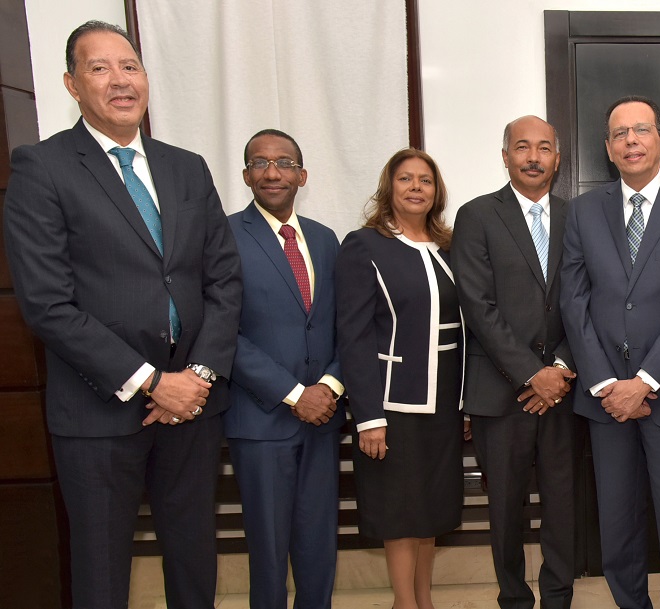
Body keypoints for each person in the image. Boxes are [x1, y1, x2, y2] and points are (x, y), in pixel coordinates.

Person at [2, 20, 242, 609]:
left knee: (193, 560)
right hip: (98, 411)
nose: (120, 80)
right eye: (99, 68)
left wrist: (196, 378)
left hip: (193, 408)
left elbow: (224, 282)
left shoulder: (187, 167)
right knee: (102, 572)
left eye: (129, 66)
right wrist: (153, 382)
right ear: (71, 84)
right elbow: (47, 303)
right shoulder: (42, 167)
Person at [561, 95, 660, 609]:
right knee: (617, 522)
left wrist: (646, 380)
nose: (631, 140)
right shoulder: (583, 211)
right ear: (608, 149)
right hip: (605, 400)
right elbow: (574, 301)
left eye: (642, 130)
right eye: (620, 134)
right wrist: (607, 383)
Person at [452, 115, 577, 609]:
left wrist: (559, 369)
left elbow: (587, 301)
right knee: (505, 508)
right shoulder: (477, 215)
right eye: (522, 147)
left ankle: (559, 597)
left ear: (557, 159)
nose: (533, 157)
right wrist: (531, 373)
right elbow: (477, 305)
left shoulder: (575, 217)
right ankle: (514, 598)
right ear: (505, 156)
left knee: (563, 504)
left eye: (544, 148)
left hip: (563, 392)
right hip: (501, 393)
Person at [336, 148, 466, 609]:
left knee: (430, 511)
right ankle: (405, 603)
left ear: (436, 191)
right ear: (388, 187)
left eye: (425, 180)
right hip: (394, 405)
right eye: (405, 178)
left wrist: (466, 404)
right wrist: (368, 417)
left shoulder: (449, 247)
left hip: (445, 405)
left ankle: (423, 600)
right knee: (400, 512)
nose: (416, 187)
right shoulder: (364, 245)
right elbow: (353, 336)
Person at [226, 129, 344, 609]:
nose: (272, 172)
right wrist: (296, 393)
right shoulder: (223, 236)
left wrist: (330, 386)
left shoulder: (325, 239)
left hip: (323, 419)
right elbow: (221, 333)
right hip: (261, 420)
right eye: (260, 162)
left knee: (319, 544)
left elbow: (347, 326)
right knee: (269, 552)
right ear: (246, 175)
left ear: (302, 175)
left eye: (284, 163)